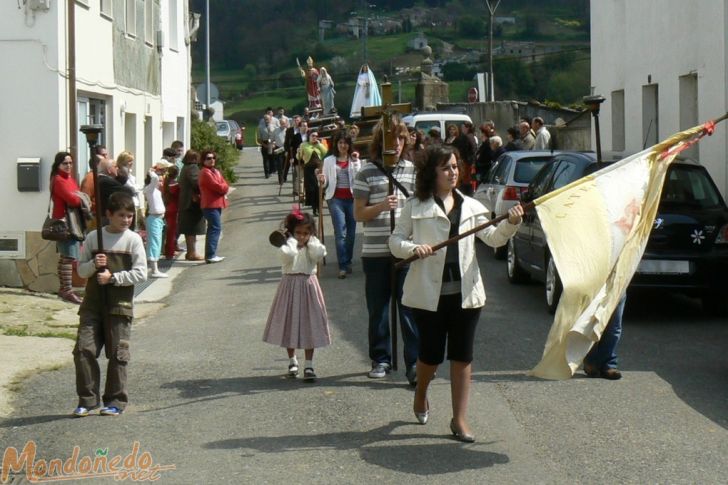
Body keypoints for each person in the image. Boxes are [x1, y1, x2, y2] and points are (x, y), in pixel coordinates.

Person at [389, 144, 523, 442]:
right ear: (431, 173)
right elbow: (395, 240)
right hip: (427, 295)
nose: (453, 172)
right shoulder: (415, 205)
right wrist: (414, 248)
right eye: (446, 167)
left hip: (466, 294)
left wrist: (511, 224)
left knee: (462, 357)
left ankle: (459, 419)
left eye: (455, 166)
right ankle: (421, 393)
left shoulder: (472, 206)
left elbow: (493, 239)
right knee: (431, 355)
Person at [353, 117, 419, 385]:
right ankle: (380, 358)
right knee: (378, 309)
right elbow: (358, 213)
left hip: (405, 253)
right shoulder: (366, 173)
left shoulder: (413, 171)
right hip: (376, 252)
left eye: (401, 139)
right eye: (392, 139)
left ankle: (413, 363)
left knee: (409, 308)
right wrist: (381, 206)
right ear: (381, 143)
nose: (398, 144)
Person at [72, 191, 148, 417]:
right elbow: (81, 270)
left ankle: (115, 401)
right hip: (93, 304)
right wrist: (95, 264)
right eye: (121, 215)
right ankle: (87, 400)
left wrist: (113, 278)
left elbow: (141, 273)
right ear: (108, 214)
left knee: (117, 355)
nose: (126, 220)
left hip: (120, 306)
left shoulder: (133, 240)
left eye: (130, 216)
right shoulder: (94, 238)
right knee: (83, 350)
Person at [263, 209, 330, 381]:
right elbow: (288, 256)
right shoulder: (286, 246)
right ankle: (292, 360)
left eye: (306, 233)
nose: (302, 237)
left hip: (308, 285)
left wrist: (313, 241)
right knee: (289, 322)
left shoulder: (312, 246)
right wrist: (291, 242)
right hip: (290, 286)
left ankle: (309, 364)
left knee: (310, 323)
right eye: (298, 233)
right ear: (291, 232)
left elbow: (320, 254)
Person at [317, 133, 362, 279]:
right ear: (336, 145)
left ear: (349, 145)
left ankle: (347, 259)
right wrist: (321, 179)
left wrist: (355, 162)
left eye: (346, 143)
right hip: (335, 199)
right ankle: (342, 265)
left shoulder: (354, 160)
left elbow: (358, 178)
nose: (343, 146)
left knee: (351, 233)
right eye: (340, 143)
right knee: (340, 232)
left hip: (352, 199)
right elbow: (325, 183)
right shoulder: (329, 161)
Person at [50, 152, 85, 304]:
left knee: (65, 257)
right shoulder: (58, 180)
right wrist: (81, 198)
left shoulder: (69, 179)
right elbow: (74, 199)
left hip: (72, 221)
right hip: (64, 223)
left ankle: (64, 288)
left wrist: (80, 197)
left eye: (70, 163)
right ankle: (67, 290)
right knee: (68, 257)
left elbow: (77, 196)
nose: (69, 166)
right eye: (65, 163)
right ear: (58, 165)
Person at [583, 295, 626, 380]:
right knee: (593, 324)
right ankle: (591, 361)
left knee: (614, 326)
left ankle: (608, 364)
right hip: (595, 283)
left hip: (618, 283)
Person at [198, 150, 229, 263]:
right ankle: (211, 255)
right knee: (215, 228)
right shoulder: (205, 172)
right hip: (210, 205)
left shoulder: (215, 171)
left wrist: (223, 187)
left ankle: (211, 254)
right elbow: (218, 186)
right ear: (203, 160)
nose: (212, 160)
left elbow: (224, 183)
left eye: (213, 158)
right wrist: (223, 187)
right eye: (208, 158)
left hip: (216, 204)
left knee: (214, 228)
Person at [143, 160, 171, 278]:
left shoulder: (156, 191)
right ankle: (154, 269)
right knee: (154, 243)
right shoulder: (149, 189)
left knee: (157, 243)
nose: (160, 182)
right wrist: (152, 171)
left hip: (158, 218)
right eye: (159, 181)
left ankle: (155, 268)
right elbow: (154, 179)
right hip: (153, 218)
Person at [178, 150, 205, 261]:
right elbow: (196, 182)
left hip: (185, 201)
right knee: (192, 229)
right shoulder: (192, 167)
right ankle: (192, 252)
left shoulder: (185, 167)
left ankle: (190, 252)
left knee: (189, 229)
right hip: (191, 202)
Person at [296, 130, 327, 216]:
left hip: (319, 169)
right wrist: (298, 152)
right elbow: (299, 157)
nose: (314, 137)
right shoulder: (304, 145)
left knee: (320, 189)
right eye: (313, 136)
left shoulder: (320, 144)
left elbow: (325, 153)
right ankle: (314, 208)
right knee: (312, 189)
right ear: (309, 136)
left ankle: (319, 207)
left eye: (316, 136)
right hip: (309, 170)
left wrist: (319, 144)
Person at [162, 166, 180, 260]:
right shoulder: (175, 184)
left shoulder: (166, 181)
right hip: (173, 208)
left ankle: (168, 250)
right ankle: (170, 252)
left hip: (167, 207)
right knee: (172, 232)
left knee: (169, 231)